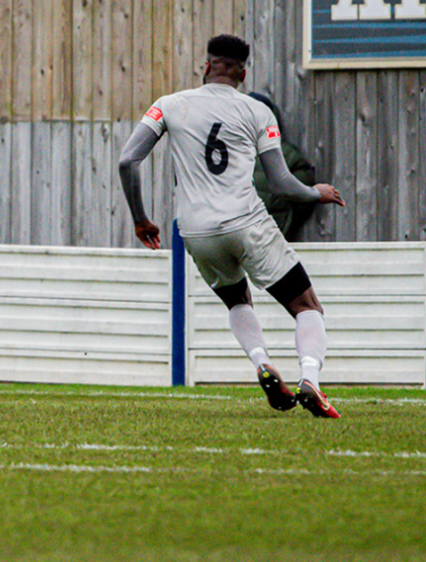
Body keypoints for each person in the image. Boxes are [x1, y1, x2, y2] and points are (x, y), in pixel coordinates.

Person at [117, 34, 345, 418]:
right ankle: (311, 380)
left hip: (196, 230)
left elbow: (127, 161)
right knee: (307, 305)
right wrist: (314, 192)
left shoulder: (168, 105)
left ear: (206, 67)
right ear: (242, 72)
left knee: (237, 300)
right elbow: (280, 184)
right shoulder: (257, 112)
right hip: (246, 221)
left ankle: (261, 363)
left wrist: (141, 219)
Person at [248, 93, 317, 241]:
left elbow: (303, 200)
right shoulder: (230, 154)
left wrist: (287, 221)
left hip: (272, 244)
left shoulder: (288, 156)